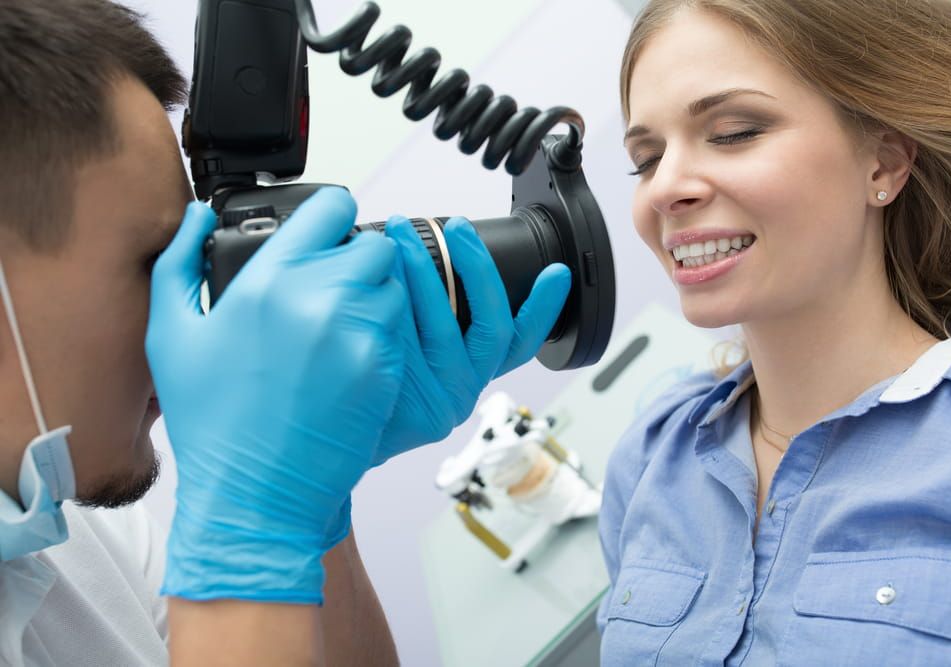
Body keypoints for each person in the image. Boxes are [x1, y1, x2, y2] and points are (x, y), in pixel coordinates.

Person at [0, 1, 571, 665]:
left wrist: (311, 509)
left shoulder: (73, 530)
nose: (197, 315)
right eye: (155, 263)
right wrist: (252, 520)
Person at [597, 0, 951, 664]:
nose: (664, 188)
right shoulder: (646, 462)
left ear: (883, 164)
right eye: (646, 158)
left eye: (733, 132)